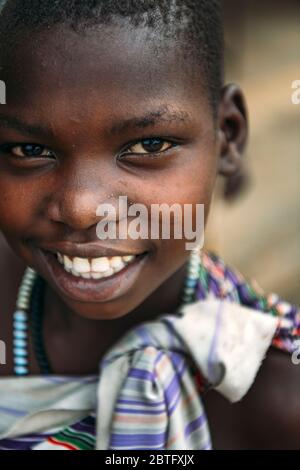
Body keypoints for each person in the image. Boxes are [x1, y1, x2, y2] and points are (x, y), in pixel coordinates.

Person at [0, 0, 299, 450]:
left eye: (150, 144)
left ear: (229, 135)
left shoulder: (277, 397)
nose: (82, 210)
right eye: (28, 150)